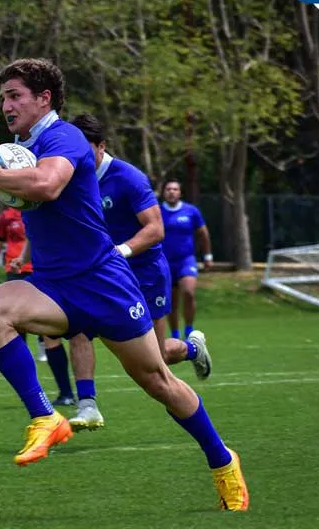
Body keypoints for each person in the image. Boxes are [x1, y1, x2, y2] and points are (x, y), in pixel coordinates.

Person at [0, 59, 247, 511]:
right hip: (53, 283)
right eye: (3, 96)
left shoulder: (64, 137)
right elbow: (27, 188)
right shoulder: (22, 145)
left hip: (104, 282)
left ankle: (222, 462)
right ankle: (46, 417)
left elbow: (45, 185)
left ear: (44, 98)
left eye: (15, 95)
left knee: (159, 380)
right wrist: (2, 179)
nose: (6, 104)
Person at [66, 114, 212, 432]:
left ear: (101, 146)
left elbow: (156, 229)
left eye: (84, 148)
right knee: (77, 329)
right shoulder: (73, 178)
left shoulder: (128, 178)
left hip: (143, 272)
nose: (75, 155)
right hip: (99, 275)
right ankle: (87, 405)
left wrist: (121, 251)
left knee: (155, 357)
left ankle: (191, 348)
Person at [0, 207, 75, 406]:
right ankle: (31, 394)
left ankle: (66, 393)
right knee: (13, 334)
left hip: (40, 274)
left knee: (51, 336)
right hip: (16, 274)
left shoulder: (40, 209)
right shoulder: (6, 217)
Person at [161, 180, 214, 339]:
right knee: (171, 301)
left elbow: (203, 234)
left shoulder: (191, 211)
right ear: (164, 192)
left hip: (186, 260)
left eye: (175, 189)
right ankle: (175, 334)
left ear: (180, 193)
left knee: (189, 292)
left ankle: (189, 330)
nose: (171, 192)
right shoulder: (156, 211)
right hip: (165, 262)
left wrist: (207, 256)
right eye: (168, 189)